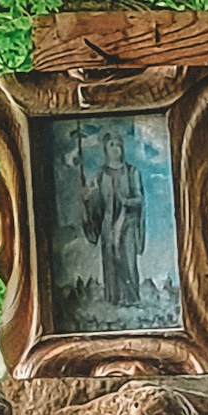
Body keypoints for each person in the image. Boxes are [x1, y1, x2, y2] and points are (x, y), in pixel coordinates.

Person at [79, 125, 145, 308]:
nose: (115, 148)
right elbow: (98, 205)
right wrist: (87, 200)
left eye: (118, 144)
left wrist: (126, 201)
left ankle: (131, 299)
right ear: (105, 149)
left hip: (128, 223)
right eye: (111, 145)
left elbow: (139, 199)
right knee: (110, 261)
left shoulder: (132, 172)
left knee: (128, 261)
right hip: (108, 225)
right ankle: (114, 300)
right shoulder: (101, 175)